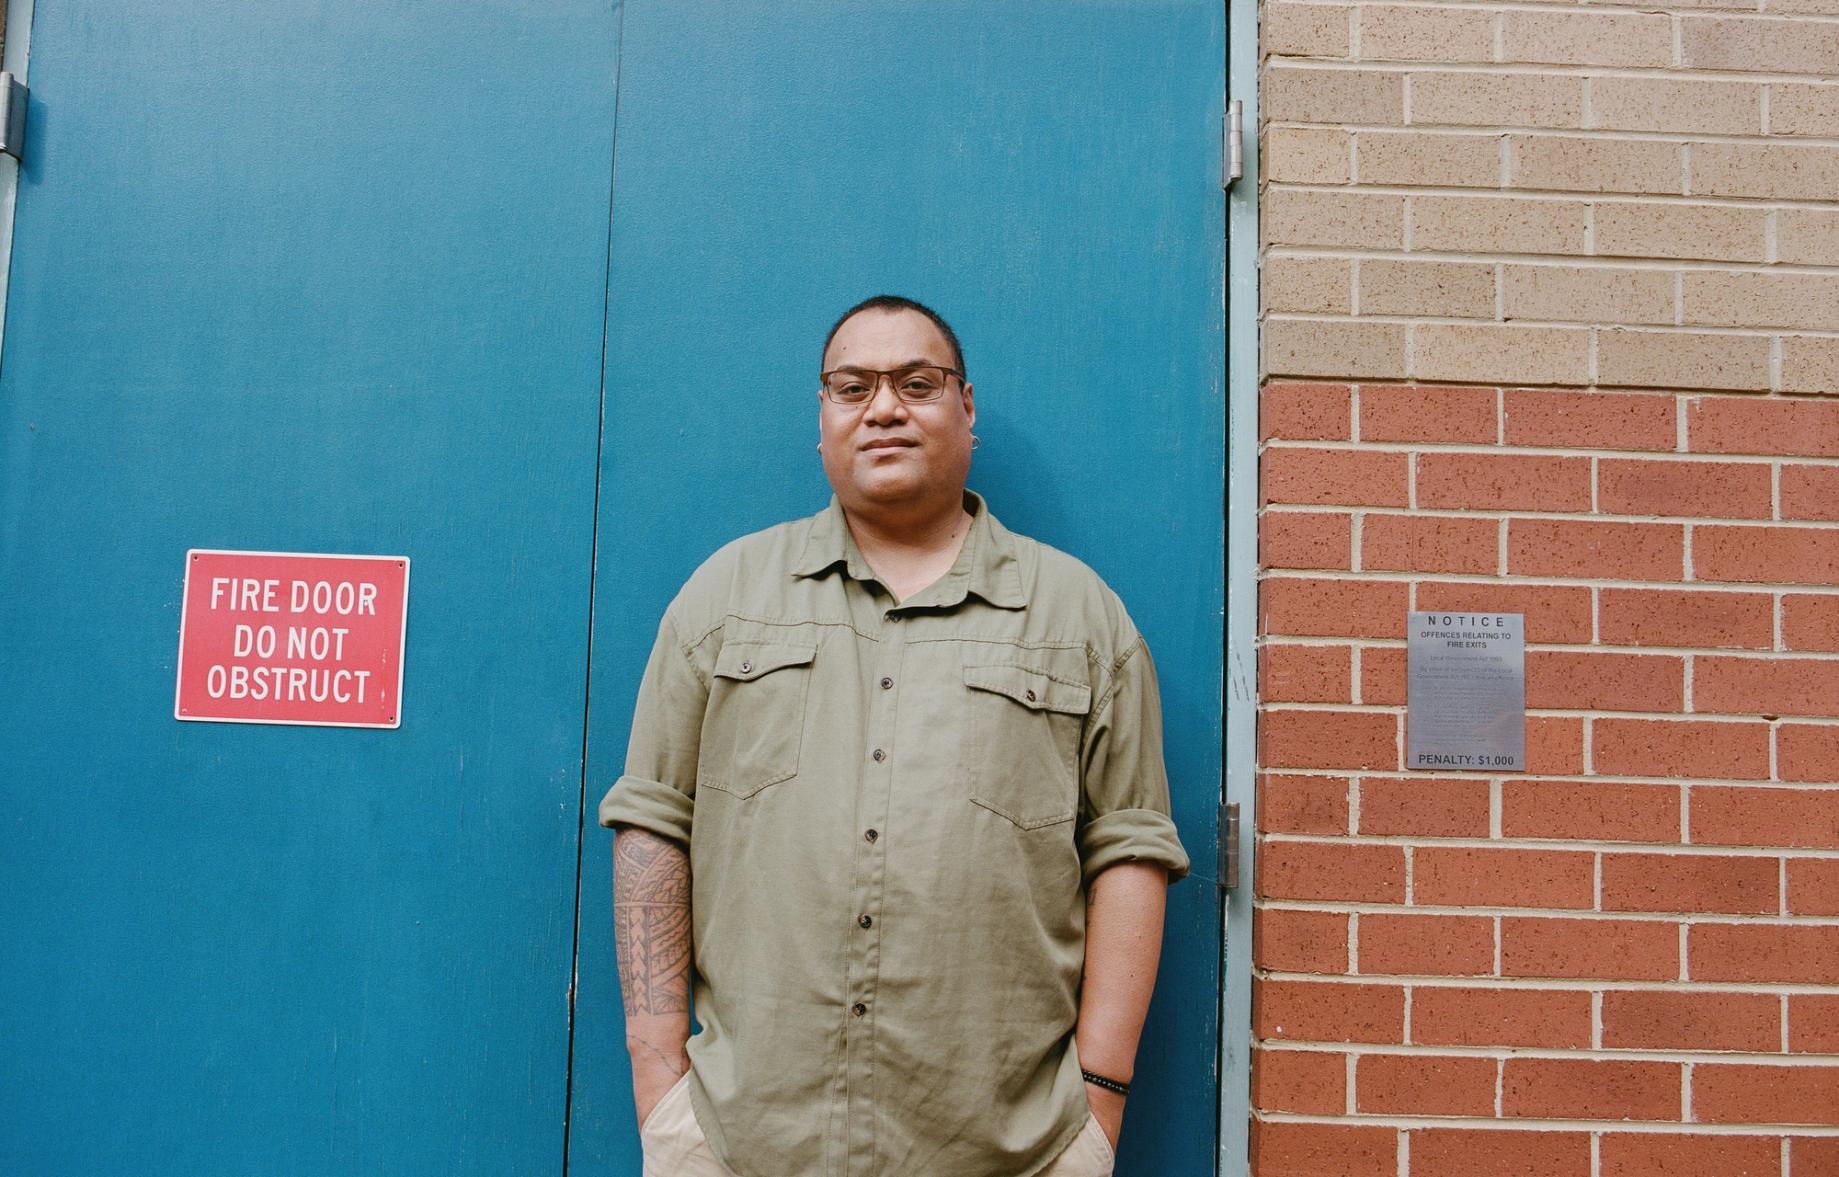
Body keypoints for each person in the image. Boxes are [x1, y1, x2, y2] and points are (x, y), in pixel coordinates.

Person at [599, 294, 1190, 1177]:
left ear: (967, 409)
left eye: (917, 382)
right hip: (741, 1142)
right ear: (823, 418)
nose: (883, 407)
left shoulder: (1079, 617)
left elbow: (1130, 851)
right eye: (852, 386)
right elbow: (653, 825)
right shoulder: (723, 600)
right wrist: (659, 1082)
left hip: (1010, 1149)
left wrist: (1097, 1102)